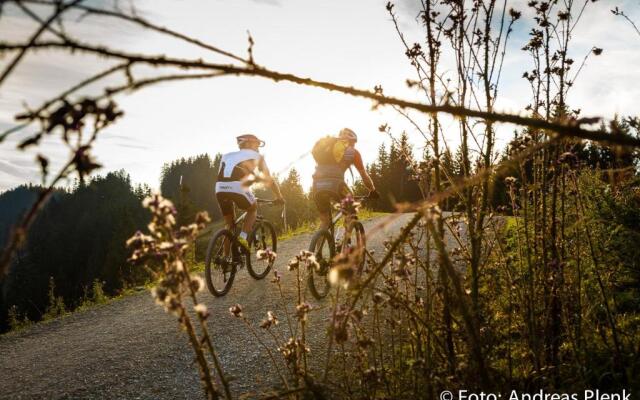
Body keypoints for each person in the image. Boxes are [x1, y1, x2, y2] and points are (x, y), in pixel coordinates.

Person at [215, 134, 284, 252]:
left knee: (229, 225)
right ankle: (242, 239)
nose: (258, 148)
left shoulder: (226, 156)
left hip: (219, 188)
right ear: (248, 144)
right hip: (237, 186)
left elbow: (223, 175)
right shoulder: (257, 156)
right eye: (256, 144)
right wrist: (279, 196)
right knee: (252, 209)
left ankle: (225, 260)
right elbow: (269, 179)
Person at [311, 128, 379, 229]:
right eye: (354, 143)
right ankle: (344, 241)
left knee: (325, 221)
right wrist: (372, 190)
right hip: (336, 186)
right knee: (351, 210)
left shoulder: (326, 149)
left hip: (317, 185)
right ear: (352, 141)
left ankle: (317, 243)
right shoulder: (353, 152)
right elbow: (364, 175)